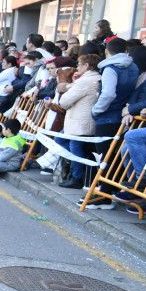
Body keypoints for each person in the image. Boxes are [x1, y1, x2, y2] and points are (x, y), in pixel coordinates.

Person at [53, 53, 101, 189]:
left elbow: (64, 101)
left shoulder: (85, 81)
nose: (77, 67)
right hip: (82, 120)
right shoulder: (94, 78)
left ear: (86, 66)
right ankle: (78, 171)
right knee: (62, 140)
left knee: (74, 146)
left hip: (79, 120)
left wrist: (67, 87)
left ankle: (77, 176)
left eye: (79, 64)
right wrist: (70, 86)